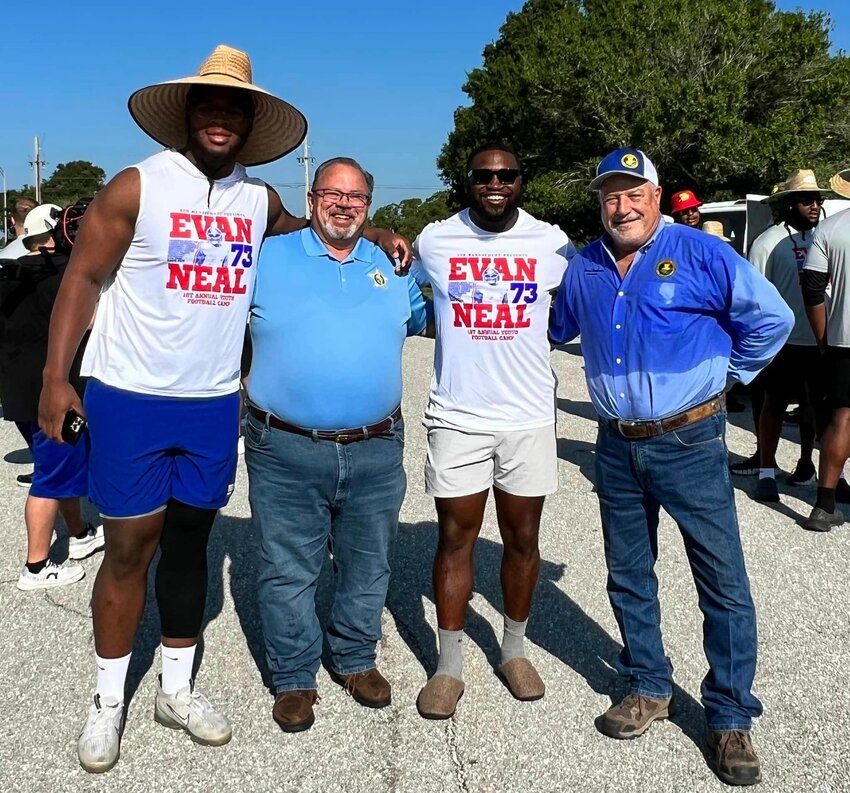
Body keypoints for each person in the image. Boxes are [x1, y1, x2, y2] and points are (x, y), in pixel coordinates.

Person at [37, 45, 408, 774]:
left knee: (189, 549)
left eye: (233, 109)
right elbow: (82, 275)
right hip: (132, 394)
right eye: (207, 105)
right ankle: (107, 700)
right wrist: (56, 376)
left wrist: (378, 236)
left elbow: (317, 231)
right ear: (186, 114)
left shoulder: (259, 200)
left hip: (211, 402)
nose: (219, 118)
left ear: (248, 124)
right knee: (126, 549)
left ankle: (175, 688)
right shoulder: (137, 185)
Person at [550, 147, 793, 787]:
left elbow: (773, 319)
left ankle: (731, 716)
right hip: (616, 444)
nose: (621, 206)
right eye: (610, 196)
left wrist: (728, 381)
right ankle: (648, 687)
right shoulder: (584, 266)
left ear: (657, 197)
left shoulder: (704, 254)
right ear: (599, 204)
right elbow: (553, 325)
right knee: (629, 573)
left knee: (721, 580)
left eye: (634, 194)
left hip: (689, 441)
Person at [245, 157, 429, 733]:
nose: (344, 204)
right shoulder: (266, 257)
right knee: (286, 567)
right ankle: (295, 677)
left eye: (356, 197)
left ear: (369, 206)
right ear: (313, 196)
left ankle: (353, 657)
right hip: (285, 448)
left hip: (377, 447)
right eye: (333, 193)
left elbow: (430, 320)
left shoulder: (391, 265)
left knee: (369, 563)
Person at [411, 143, 574, 719]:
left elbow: (588, 300)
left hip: (528, 416)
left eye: (506, 175)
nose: (495, 183)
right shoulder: (435, 239)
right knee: (456, 537)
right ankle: (448, 665)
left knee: (523, 539)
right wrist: (382, 235)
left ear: (521, 180)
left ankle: (513, 649)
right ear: (469, 182)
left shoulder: (552, 243)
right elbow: (390, 263)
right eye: (484, 176)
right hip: (457, 416)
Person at [0, 203, 104, 590]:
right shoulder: (63, 274)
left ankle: (79, 534)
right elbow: (91, 320)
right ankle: (37, 566)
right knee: (50, 474)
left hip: (19, 392)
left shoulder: (12, 271)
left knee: (59, 466)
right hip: (55, 393)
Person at [747, 170, 830, 503]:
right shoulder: (767, 242)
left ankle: (809, 464)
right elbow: (752, 294)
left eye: (818, 199)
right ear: (789, 204)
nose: (815, 205)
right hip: (783, 341)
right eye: (807, 200)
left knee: (816, 408)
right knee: (774, 405)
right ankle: (767, 470)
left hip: (821, 339)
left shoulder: (825, 237)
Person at [801, 168, 850, 531]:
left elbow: (813, 289)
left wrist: (823, 336)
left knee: (841, 417)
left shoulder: (830, 230)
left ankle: (824, 504)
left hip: (843, 339)